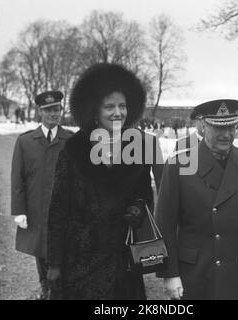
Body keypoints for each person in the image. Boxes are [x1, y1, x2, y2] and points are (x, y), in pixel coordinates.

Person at [46, 63, 163, 300]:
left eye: (122, 106)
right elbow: (58, 209)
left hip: (124, 260)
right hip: (80, 260)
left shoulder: (140, 146)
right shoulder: (73, 149)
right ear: (94, 110)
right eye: (109, 106)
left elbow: (145, 196)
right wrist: (55, 263)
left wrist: (138, 208)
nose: (117, 112)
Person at [155, 99, 238, 300]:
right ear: (203, 127)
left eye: (231, 127)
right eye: (219, 128)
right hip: (196, 273)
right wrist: (169, 273)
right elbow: (165, 224)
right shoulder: (179, 166)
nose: (227, 134)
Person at [11, 90, 73, 300]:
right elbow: (17, 178)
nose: (52, 114)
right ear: (39, 112)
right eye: (47, 110)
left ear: (61, 111)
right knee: (40, 249)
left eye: (56, 109)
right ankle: (44, 285)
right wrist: (19, 210)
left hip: (63, 208)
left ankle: (59, 286)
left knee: (62, 246)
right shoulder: (26, 141)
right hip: (36, 206)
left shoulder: (70, 140)